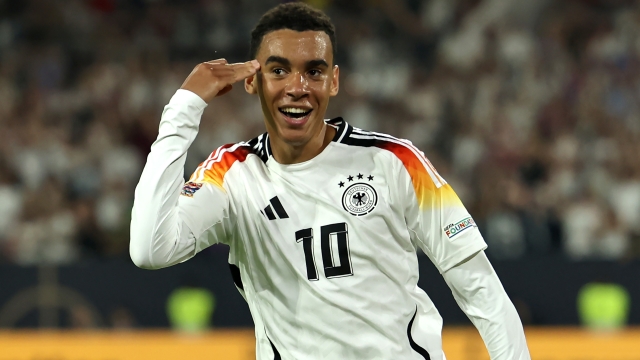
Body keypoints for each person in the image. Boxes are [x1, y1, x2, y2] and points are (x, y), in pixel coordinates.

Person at [130, 2, 530, 359]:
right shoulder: (233, 175)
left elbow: (481, 289)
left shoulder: (393, 161)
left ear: (333, 82)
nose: (298, 87)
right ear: (251, 81)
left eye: (314, 71)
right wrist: (184, 109)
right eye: (279, 70)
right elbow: (150, 249)